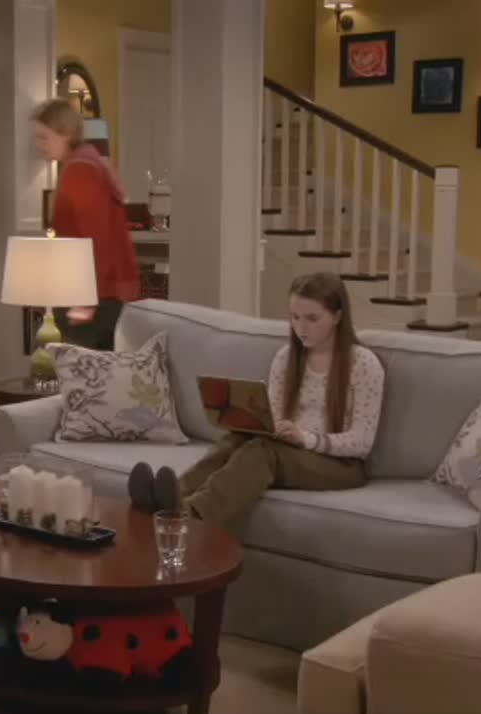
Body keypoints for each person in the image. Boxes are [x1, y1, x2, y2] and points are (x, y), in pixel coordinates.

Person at [128, 272, 384, 524]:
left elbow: (362, 442)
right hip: (293, 451)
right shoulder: (286, 358)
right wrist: (254, 423)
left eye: (312, 318)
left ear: (337, 316)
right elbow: (271, 420)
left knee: (262, 452)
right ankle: (169, 497)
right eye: (295, 317)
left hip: (341, 465)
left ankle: (193, 513)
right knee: (236, 440)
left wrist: (306, 438)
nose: (301, 328)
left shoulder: (363, 363)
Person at [32, 99, 141, 350]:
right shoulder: (92, 163)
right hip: (105, 293)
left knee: (74, 365)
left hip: (92, 295)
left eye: (44, 137)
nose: (39, 145)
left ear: (66, 134)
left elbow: (96, 240)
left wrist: (86, 301)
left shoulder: (79, 172)